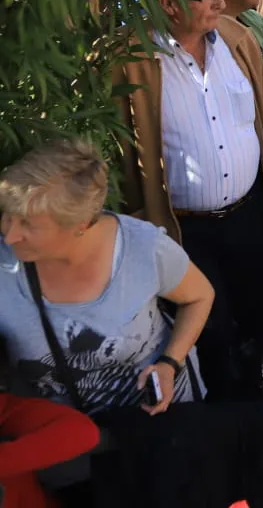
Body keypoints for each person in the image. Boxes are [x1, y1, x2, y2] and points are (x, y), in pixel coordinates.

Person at [111, 0, 263, 401]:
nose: (218, 2)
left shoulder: (238, 40)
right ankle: (219, 429)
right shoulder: (128, 58)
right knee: (208, 335)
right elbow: (118, 153)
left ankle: (252, 424)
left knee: (254, 325)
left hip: (247, 218)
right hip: (181, 229)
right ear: (167, 3)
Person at [0, 139, 215, 421]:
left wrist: (169, 362)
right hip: (62, 442)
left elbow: (200, 296)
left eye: (29, 224)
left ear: (80, 226)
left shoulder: (143, 247)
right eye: (8, 216)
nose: (10, 235)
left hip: (158, 425)